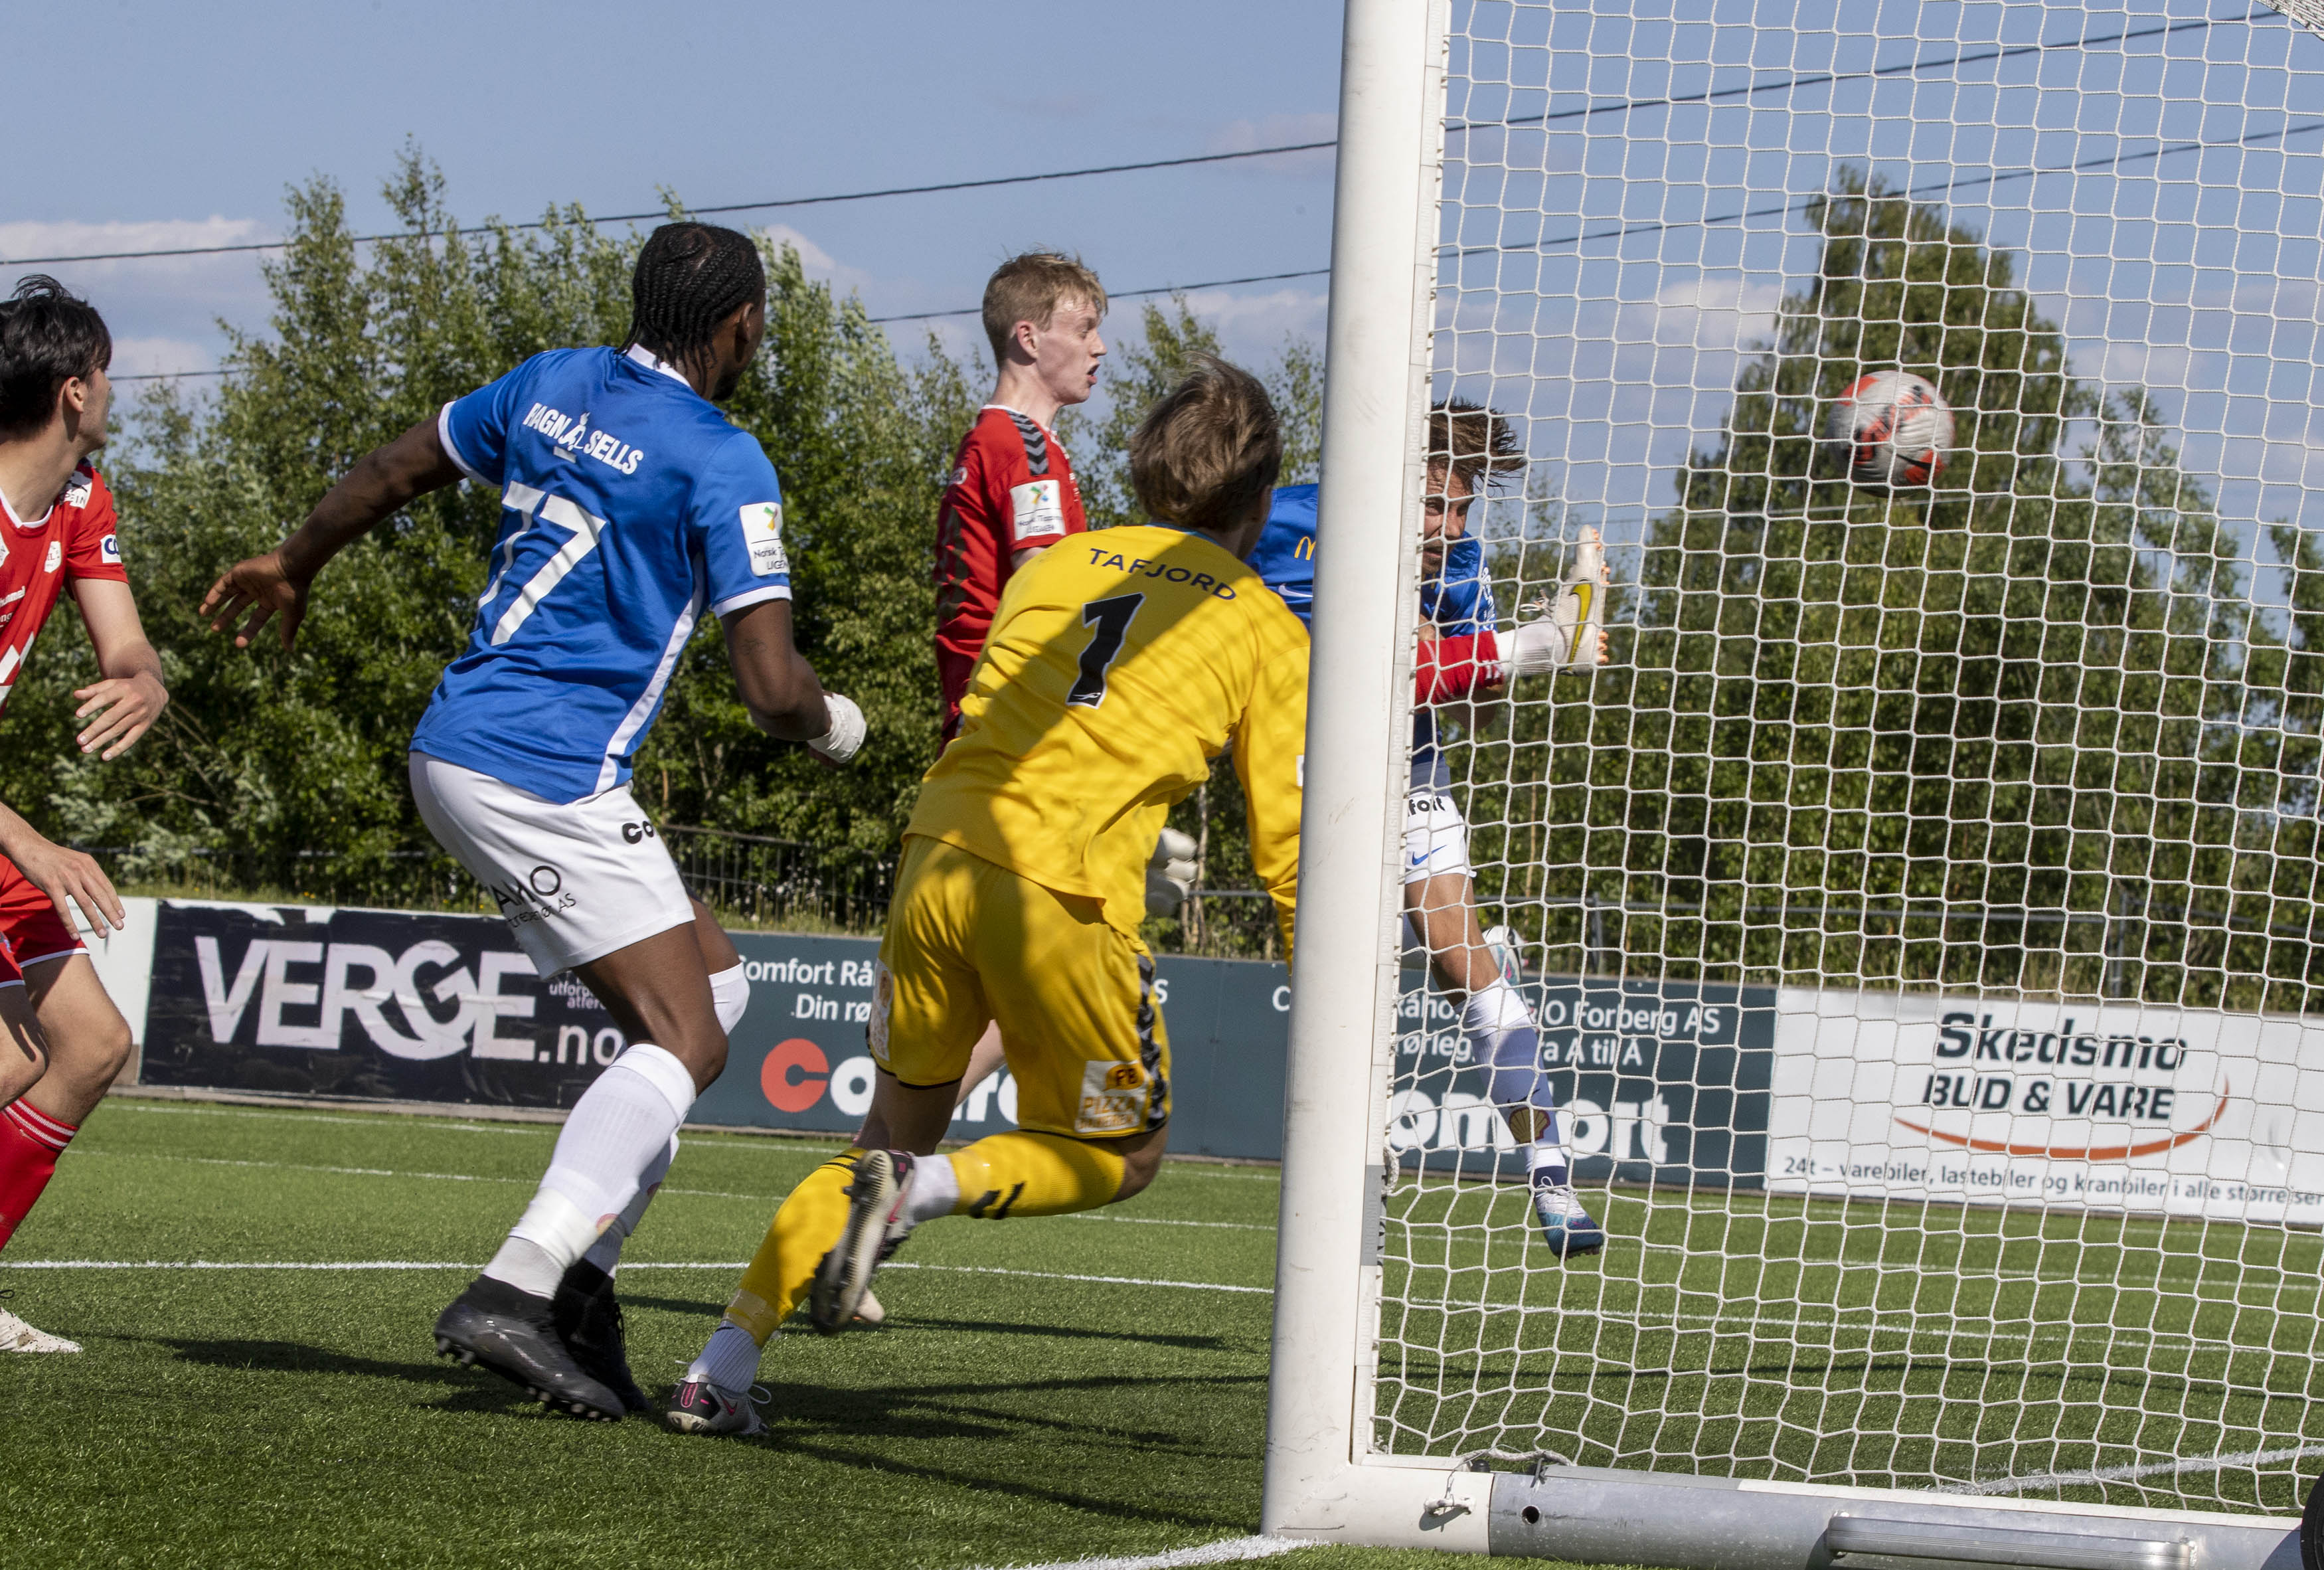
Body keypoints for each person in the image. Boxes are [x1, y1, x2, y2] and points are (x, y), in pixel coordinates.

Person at [201, 223, 865, 1421]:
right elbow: (769, 691)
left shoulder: (551, 380)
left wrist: (296, 558)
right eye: (758, 322)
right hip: (540, 771)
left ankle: (582, 1284)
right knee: (692, 1038)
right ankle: (518, 1283)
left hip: (470, 744)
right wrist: (835, 726)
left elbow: (401, 464)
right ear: (738, 325)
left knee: (714, 994)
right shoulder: (724, 458)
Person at [666, 355, 1307, 1435]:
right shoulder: (1263, 624)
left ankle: (718, 1366)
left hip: (937, 855)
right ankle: (917, 1197)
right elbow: (1288, 847)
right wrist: (1324, 986)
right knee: (1122, 1153)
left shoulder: (1054, 569)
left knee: (889, 1129)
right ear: (1261, 500)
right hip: (1060, 894)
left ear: (1148, 473)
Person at [1244, 398, 1610, 1256]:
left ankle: (1552, 1181)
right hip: (1299, 781)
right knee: (1345, 989)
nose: (1448, 526)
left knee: (1470, 976)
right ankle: (1554, 638)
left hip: (1410, 776)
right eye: (1435, 504)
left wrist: (1476, 668)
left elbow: (1472, 710)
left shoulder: (1461, 562)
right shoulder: (1282, 518)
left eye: (1463, 508)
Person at [0, 278, 173, 1352]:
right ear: (74, 391)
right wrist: (34, 844)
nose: (114, 391)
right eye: (105, 374)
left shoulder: (77, 502)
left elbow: (127, 645)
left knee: (91, 1043)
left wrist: (146, 680)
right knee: (17, 1056)